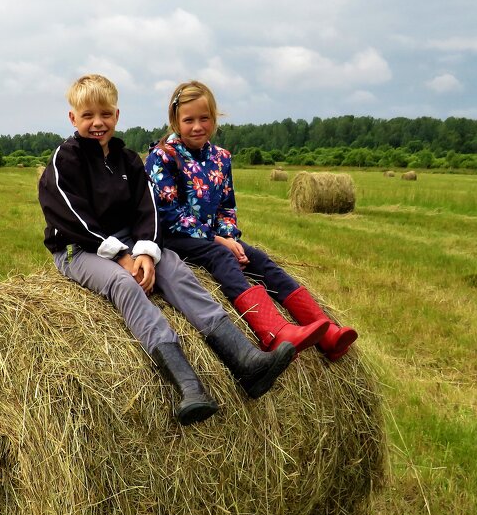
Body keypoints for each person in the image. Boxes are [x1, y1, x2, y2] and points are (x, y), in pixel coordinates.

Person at [38, 74, 296, 425]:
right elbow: (71, 217)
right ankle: (189, 387)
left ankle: (245, 361)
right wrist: (121, 256)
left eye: (104, 114)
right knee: (122, 284)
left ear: (116, 114)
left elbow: (149, 209)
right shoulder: (64, 160)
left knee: (174, 268)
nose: (97, 123)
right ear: (73, 119)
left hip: (128, 240)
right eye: (87, 116)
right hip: (79, 248)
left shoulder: (127, 159)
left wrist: (145, 251)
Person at [144, 80, 358, 361]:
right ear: (175, 121)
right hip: (175, 236)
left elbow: (226, 206)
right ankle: (274, 332)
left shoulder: (220, 157)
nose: (197, 126)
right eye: (189, 120)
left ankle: (328, 332)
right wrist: (218, 240)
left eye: (204, 118)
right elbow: (168, 211)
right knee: (222, 257)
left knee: (260, 260)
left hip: (215, 236)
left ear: (214, 118)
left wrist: (230, 236)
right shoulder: (163, 157)